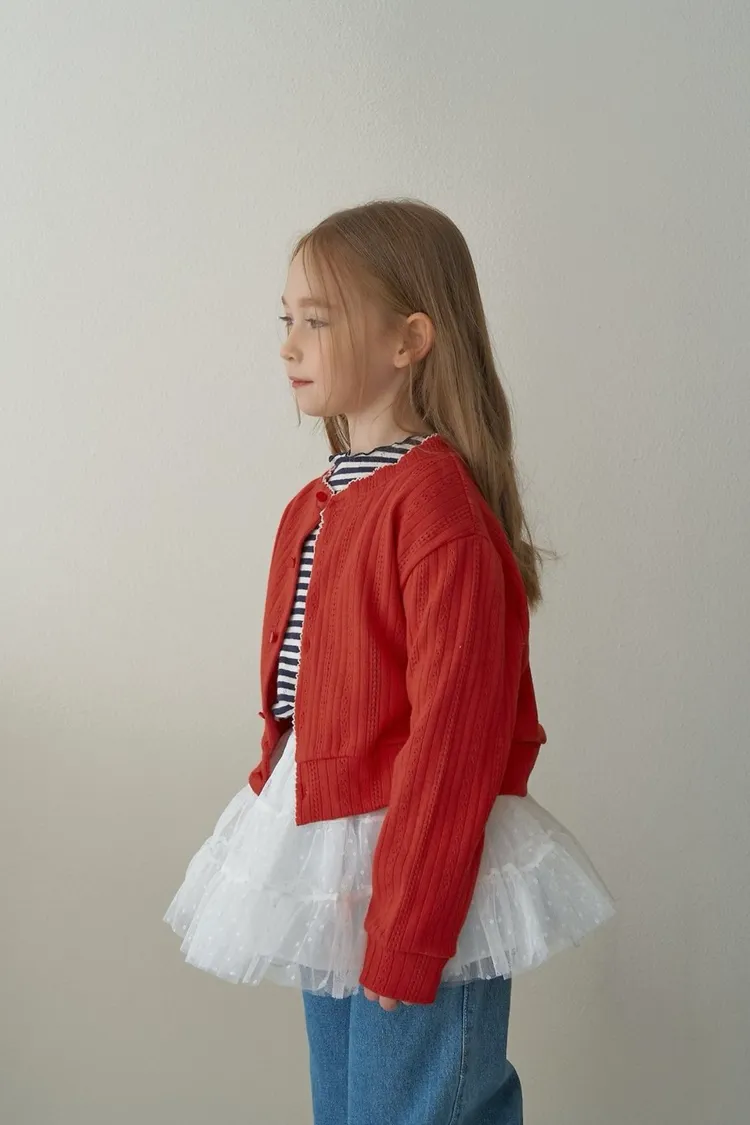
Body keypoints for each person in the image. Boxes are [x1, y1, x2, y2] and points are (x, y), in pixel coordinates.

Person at [164, 199, 615, 1124]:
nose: (289, 344)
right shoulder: (313, 506)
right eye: (286, 318)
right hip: (329, 863)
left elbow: (455, 742)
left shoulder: (435, 512)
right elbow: (304, 705)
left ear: (409, 339)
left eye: (318, 320)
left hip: (418, 877)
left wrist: (408, 928)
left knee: (411, 1109)